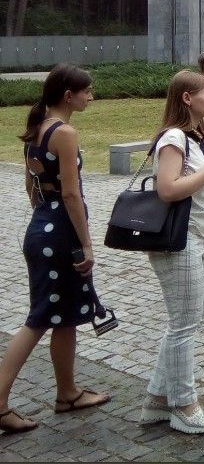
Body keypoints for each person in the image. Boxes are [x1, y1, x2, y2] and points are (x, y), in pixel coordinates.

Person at [0, 65, 110, 436]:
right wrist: (86, 242)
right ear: (69, 95)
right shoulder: (64, 132)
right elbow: (71, 192)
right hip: (61, 233)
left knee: (62, 316)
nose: (91, 97)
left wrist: (44, 223)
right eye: (87, 91)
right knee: (40, 318)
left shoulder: (37, 129)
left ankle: (68, 393)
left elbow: (32, 187)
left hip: (41, 228)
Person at [139, 72, 204, 435]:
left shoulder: (198, 138)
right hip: (178, 241)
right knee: (183, 324)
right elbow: (168, 189)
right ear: (187, 98)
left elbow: (196, 187)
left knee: (189, 319)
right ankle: (184, 403)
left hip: (200, 237)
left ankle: (156, 399)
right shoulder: (173, 138)